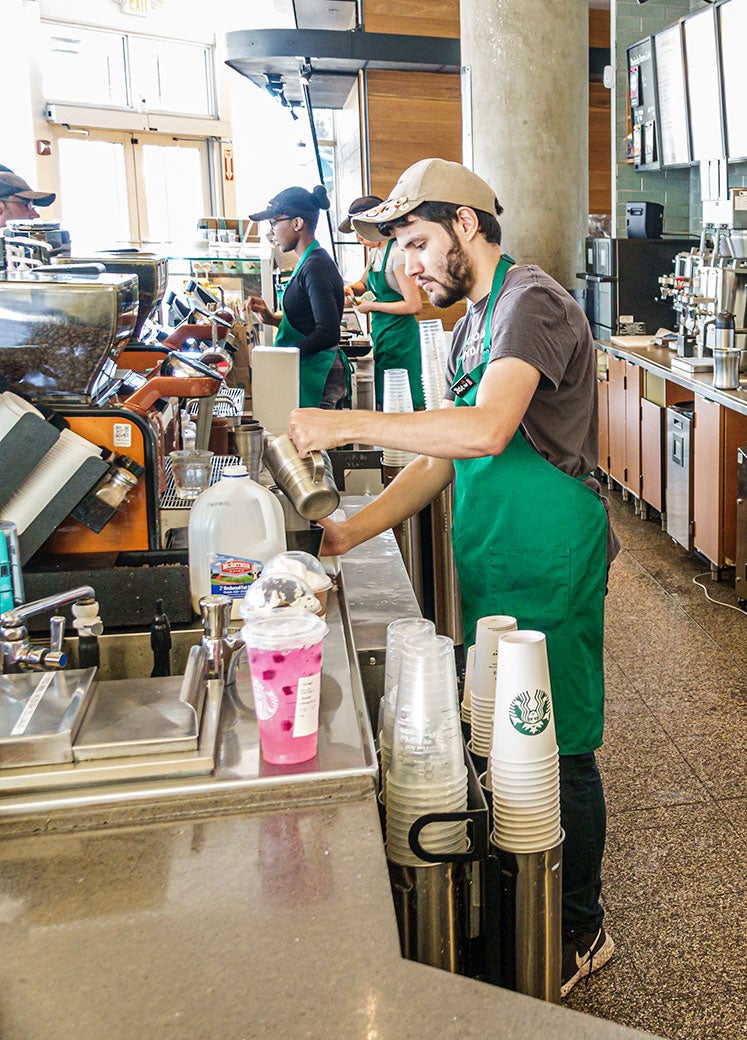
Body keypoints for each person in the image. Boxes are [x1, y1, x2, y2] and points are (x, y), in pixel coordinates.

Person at [285, 158, 617, 997]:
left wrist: (343, 420)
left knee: (562, 747)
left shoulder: (529, 304)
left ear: (467, 225)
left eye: (422, 243)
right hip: (498, 557)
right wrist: (349, 531)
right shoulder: (472, 319)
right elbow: (444, 454)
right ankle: (524, 903)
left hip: (549, 556)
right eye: (404, 251)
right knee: (512, 741)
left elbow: (486, 427)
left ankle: (580, 928)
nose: (413, 266)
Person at [244, 186, 349, 409]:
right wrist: (270, 317)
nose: (272, 232)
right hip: (310, 368)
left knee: (314, 443)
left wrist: (281, 357)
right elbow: (307, 321)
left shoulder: (315, 266)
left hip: (318, 373)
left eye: (274, 223)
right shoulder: (308, 262)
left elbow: (328, 333)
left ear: (297, 223)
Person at [341, 195, 428, 409]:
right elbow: (363, 283)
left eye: (361, 232)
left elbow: (414, 305)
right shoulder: (374, 253)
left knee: (405, 401)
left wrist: (372, 306)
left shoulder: (397, 254)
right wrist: (350, 289)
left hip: (401, 339)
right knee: (387, 400)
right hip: (383, 336)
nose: (359, 239)